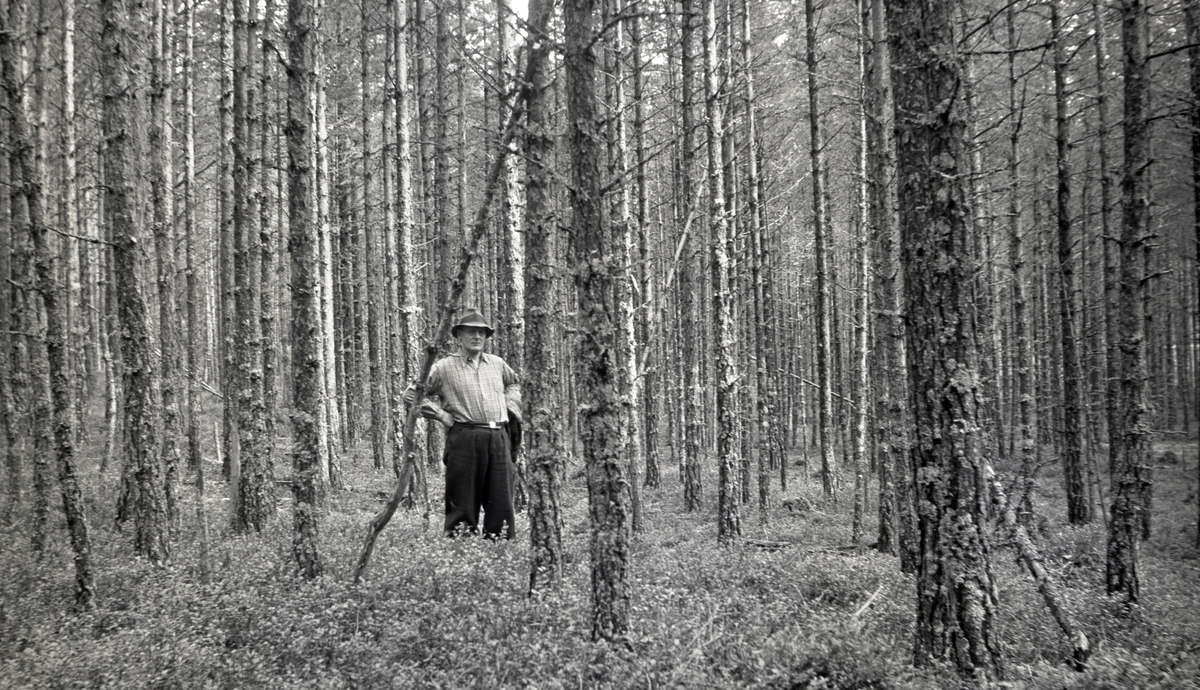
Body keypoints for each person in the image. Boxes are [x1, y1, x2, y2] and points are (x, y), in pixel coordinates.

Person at [404, 308, 522, 538]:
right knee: (462, 498)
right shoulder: (444, 367)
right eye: (471, 332)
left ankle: (499, 546)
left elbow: (515, 384)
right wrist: (440, 414)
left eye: (481, 333)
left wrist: (509, 405)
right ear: (459, 335)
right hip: (464, 437)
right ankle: (460, 545)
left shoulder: (497, 364)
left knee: (501, 498)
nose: (477, 337)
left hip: (498, 436)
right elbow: (411, 395)